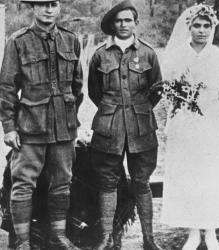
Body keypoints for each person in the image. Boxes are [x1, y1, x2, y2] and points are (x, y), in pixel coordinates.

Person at [0, 0, 83, 249]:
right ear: (33, 8)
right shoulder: (18, 41)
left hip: (63, 127)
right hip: (30, 128)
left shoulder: (71, 40)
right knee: (23, 183)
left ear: (59, 8)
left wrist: (69, 118)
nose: (48, 9)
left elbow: (77, 86)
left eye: (53, 4)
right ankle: (23, 242)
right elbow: (6, 88)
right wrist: (9, 127)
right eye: (42, 4)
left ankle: (58, 236)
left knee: (62, 182)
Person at [160, 3, 219, 250]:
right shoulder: (175, 56)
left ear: (213, 28)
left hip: (213, 124)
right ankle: (193, 231)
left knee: (212, 174)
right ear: (189, 27)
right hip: (185, 123)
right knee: (189, 175)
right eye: (197, 25)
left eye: (207, 26)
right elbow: (166, 90)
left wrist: (216, 95)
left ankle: (211, 230)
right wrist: (181, 98)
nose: (202, 30)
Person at [87, 0, 163, 249]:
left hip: (141, 128)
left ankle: (148, 240)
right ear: (112, 24)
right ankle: (107, 238)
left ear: (135, 23)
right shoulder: (99, 55)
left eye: (128, 20)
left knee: (141, 181)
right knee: (107, 181)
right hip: (109, 128)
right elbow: (94, 93)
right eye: (118, 20)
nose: (123, 25)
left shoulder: (149, 53)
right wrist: (114, 112)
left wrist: (136, 111)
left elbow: (156, 90)